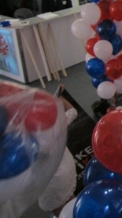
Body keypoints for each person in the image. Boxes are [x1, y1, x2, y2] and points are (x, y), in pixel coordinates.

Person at [38, 84, 77, 217]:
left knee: (61, 212)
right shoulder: (54, 123)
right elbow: (72, 111)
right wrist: (59, 97)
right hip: (67, 170)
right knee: (73, 202)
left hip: (51, 184)